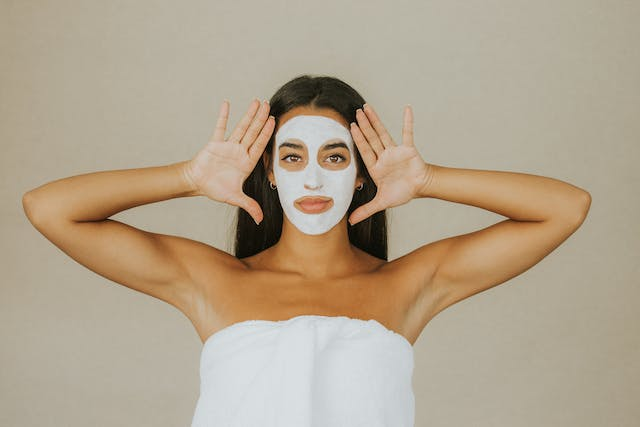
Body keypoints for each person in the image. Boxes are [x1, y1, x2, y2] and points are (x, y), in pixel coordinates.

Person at [22, 74, 591, 426]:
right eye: (292, 157)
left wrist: (429, 178)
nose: (313, 179)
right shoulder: (213, 280)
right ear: (268, 172)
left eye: (336, 157)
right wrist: (187, 176)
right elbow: (49, 208)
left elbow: (565, 207)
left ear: (363, 174)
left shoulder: (407, 285)